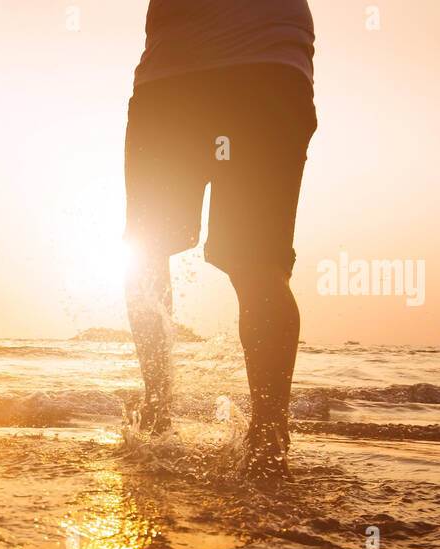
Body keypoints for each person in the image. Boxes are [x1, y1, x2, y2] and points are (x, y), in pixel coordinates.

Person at [123, 0, 317, 479]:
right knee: (258, 264)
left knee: (147, 252)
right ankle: (268, 440)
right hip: (268, 69)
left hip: (178, 73)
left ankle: (157, 415)